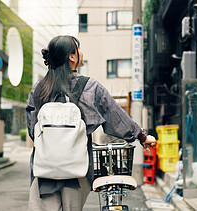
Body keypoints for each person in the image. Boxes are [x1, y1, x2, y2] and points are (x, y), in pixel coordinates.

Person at [26, 35, 156, 211]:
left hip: (43, 170)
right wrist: (141, 136)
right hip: (76, 169)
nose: (81, 52)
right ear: (72, 57)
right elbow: (115, 116)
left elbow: (32, 130)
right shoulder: (90, 87)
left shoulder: (39, 89)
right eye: (78, 49)